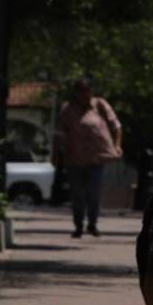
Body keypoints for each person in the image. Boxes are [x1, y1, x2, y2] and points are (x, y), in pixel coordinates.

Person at [55, 77, 122, 237]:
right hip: (74, 159)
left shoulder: (100, 105)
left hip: (96, 158)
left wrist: (117, 145)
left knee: (93, 193)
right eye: (81, 92)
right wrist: (57, 155)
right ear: (76, 93)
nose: (85, 95)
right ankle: (78, 225)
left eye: (87, 91)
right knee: (77, 194)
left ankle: (92, 224)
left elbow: (116, 126)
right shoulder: (68, 109)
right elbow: (59, 134)